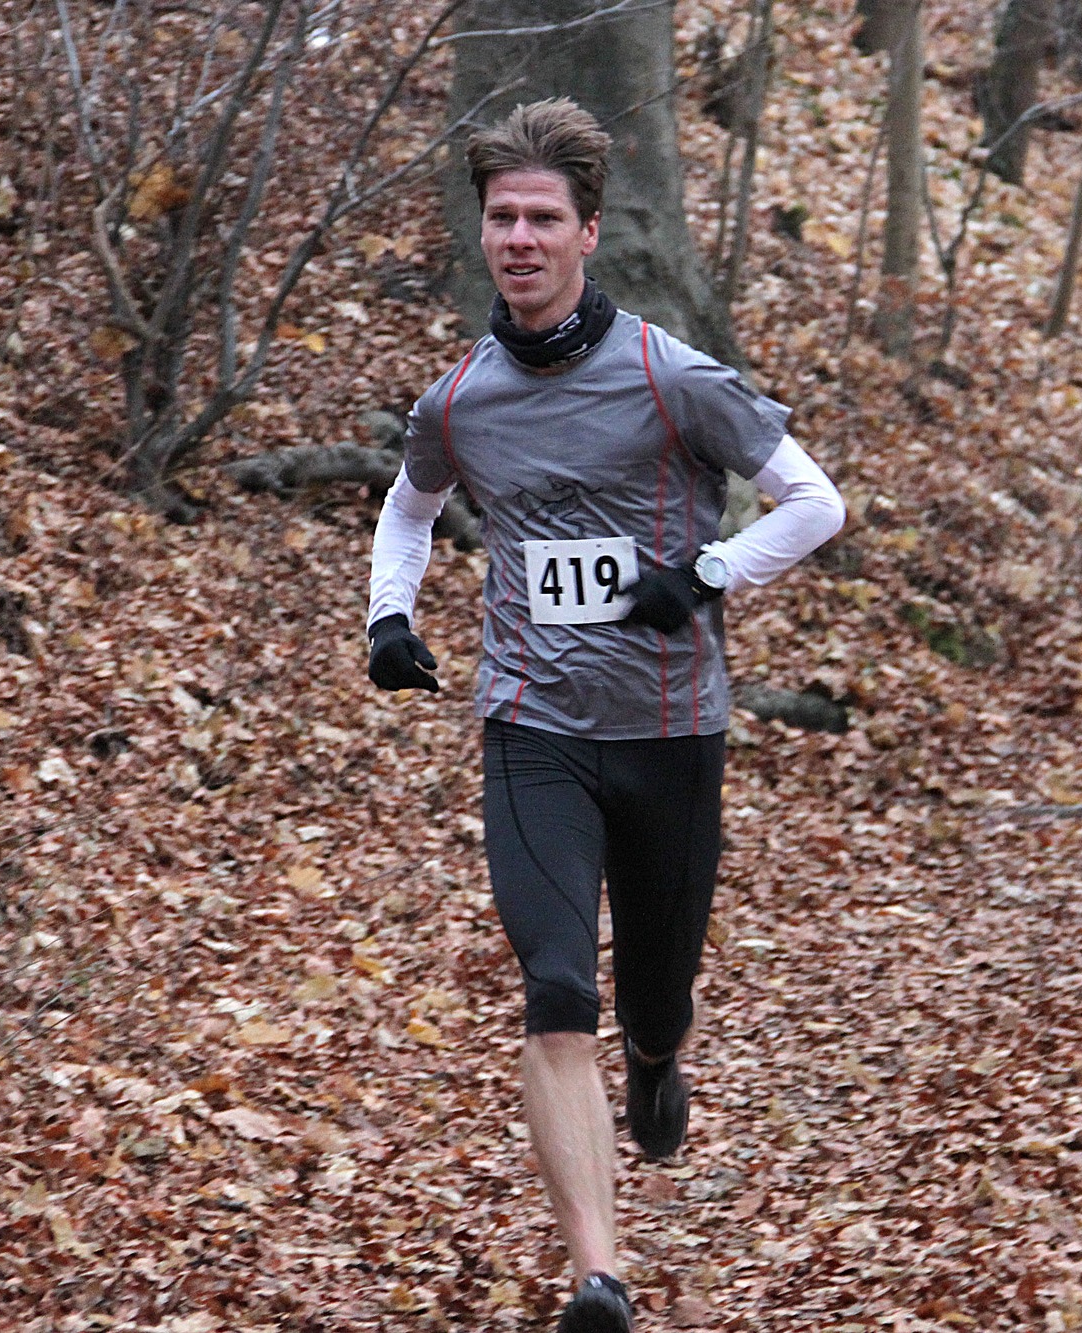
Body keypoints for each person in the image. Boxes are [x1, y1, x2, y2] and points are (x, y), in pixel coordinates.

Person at [364, 98, 845, 1333]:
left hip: (669, 731)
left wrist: (708, 572)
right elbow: (409, 508)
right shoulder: (458, 400)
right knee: (554, 986)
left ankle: (657, 1054)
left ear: (587, 233)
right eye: (501, 218)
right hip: (531, 725)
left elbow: (813, 503)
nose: (519, 239)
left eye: (542, 218)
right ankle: (598, 1277)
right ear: (482, 233)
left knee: (655, 994)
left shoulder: (666, 376)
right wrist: (389, 617)